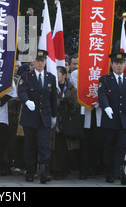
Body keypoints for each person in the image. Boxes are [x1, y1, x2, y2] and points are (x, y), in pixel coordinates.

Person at [98, 51, 126, 185]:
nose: (119, 66)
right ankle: (109, 173)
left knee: (125, 147)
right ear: (112, 64)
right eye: (116, 63)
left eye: (121, 63)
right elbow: (102, 95)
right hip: (110, 120)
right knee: (109, 147)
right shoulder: (104, 79)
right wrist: (106, 107)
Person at [18, 49, 58, 184]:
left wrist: (54, 115)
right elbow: (22, 91)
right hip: (30, 117)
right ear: (33, 62)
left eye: (42, 61)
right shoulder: (26, 76)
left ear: (45, 62)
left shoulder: (50, 77)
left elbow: (53, 99)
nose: (40, 63)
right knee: (30, 145)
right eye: (38, 61)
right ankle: (30, 172)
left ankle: (44, 172)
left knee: (43, 145)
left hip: (44, 117)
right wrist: (26, 101)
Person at [51, 66, 81, 180]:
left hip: (67, 123)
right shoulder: (53, 87)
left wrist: (67, 101)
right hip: (55, 122)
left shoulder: (71, 88)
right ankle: (55, 170)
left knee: (66, 148)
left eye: (58, 74)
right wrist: (59, 102)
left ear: (64, 75)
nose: (56, 77)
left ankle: (64, 170)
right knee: (55, 147)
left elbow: (75, 106)